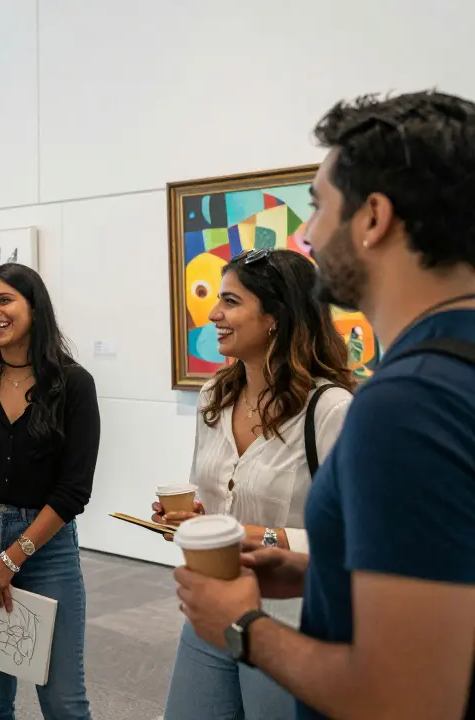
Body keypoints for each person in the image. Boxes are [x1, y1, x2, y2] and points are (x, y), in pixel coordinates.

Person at [174, 90, 475, 720]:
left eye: (317, 206)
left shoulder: (406, 404)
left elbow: (406, 699)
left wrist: (243, 628)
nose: (309, 234)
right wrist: (319, 573)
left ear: (373, 217)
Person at [156, 248, 356, 719]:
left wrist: (257, 536)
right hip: (212, 604)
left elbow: (353, 540)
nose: (213, 314)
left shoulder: (331, 410)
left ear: (275, 318)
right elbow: (212, 497)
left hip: (292, 618)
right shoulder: (215, 396)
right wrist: (193, 520)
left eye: (230, 301)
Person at [0, 262, 99, 719]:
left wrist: (11, 558)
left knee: (64, 702)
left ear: (34, 307)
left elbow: (73, 490)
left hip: (46, 549)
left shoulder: (73, 384)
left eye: (4, 300)